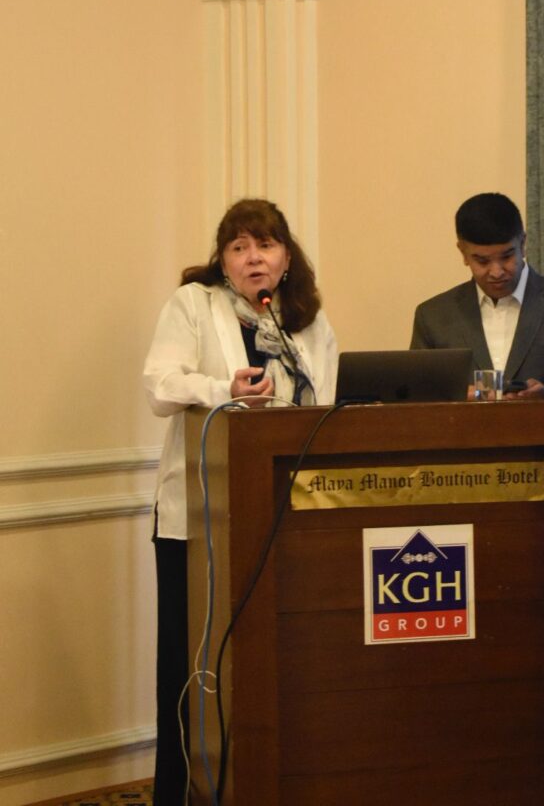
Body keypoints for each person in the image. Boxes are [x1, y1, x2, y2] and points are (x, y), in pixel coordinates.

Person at [143, 197, 338, 804]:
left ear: (286, 257)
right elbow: (160, 385)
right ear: (222, 261)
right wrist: (222, 389)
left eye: (266, 245)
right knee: (187, 665)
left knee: (278, 659)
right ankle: (181, 794)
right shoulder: (194, 305)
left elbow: (323, 406)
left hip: (284, 515)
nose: (254, 258)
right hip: (198, 520)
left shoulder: (305, 321)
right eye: (239, 247)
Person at [410, 192, 544, 396]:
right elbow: (415, 398)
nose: (497, 271)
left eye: (507, 256)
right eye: (482, 261)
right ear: (463, 253)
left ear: (523, 244)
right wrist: (458, 396)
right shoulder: (433, 317)